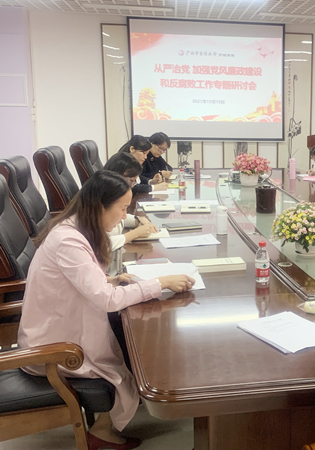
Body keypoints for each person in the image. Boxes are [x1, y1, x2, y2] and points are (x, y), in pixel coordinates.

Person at [18, 171, 195, 450]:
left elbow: (82, 284)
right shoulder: (68, 240)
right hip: (53, 347)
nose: (124, 216)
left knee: (136, 333)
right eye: (122, 208)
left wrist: (110, 280)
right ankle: (103, 430)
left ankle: (111, 422)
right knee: (135, 346)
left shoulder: (75, 229)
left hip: (63, 324)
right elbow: (107, 300)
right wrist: (159, 283)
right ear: (100, 206)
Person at [104, 152, 159, 276]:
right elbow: (98, 245)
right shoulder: (102, 199)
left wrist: (139, 220)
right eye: (132, 181)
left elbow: (122, 217)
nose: (132, 186)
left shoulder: (113, 196)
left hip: (114, 269)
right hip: (107, 274)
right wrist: (135, 234)